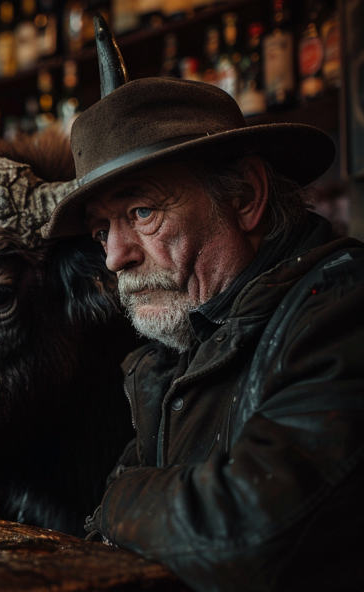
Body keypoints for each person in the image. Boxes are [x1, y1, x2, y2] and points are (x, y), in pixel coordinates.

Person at [42, 21, 364, 592]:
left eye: (141, 213)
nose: (114, 257)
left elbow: (244, 532)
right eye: (100, 232)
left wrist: (118, 496)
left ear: (243, 196)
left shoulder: (344, 306)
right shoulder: (173, 350)